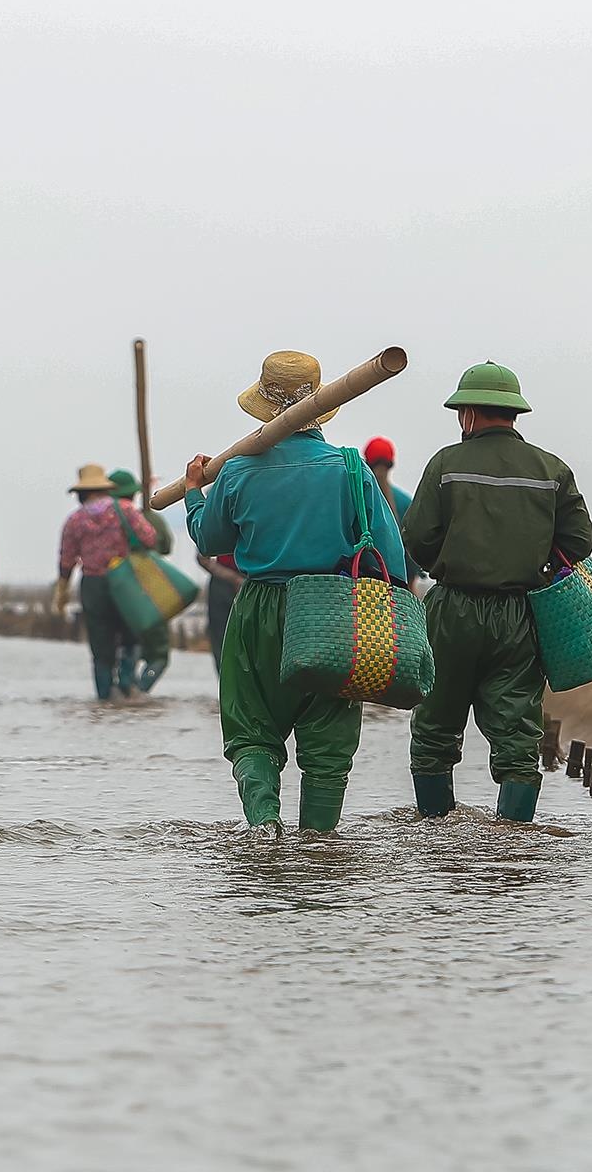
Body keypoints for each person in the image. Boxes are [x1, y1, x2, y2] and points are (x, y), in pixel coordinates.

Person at [184, 351, 409, 835]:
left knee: (251, 730)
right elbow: (392, 559)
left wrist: (193, 491)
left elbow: (210, 539)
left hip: (258, 610)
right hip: (330, 613)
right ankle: (318, 852)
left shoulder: (238, 470)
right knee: (327, 743)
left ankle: (265, 830)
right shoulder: (350, 469)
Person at [402, 362, 592, 824]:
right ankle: (512, 844)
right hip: (519, 615)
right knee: (517, 735)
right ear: (513, 413)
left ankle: (433, 835)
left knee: (434, 728)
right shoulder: (552, 470)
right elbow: (581, 541)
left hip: (451, 613)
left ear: (468, 413)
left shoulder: (446, 464)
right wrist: (537, 565)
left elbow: (416, 538)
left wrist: (444, 566)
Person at [55, 464, 161, 701]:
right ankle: (126, 686)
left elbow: (66, 560)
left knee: (100, 644)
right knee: (130, 635)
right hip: (124, 581)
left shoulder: (74, 520)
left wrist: (61, 593)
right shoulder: (124, 509)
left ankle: (104, 696)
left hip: (93, 585)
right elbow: (150, 538)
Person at [107, 468, 172, 696]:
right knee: (159, 653)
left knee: (121, 645)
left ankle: (120, 690)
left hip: (115, 588)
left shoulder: (100, 521)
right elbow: (165, 546)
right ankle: (140, 691)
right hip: (151, 588)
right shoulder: (149, 518)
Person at [364, 437, 421, 586]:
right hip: (398, 587)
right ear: (392, 464)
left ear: (366, 462)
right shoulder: (405, 503)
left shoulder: (356, 498)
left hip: (361, 588)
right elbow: (412, 554)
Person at [197, 553, 243, 678]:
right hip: (225, 580)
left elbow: (202, 556)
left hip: (252, 580)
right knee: (221, 641)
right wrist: (234, 578)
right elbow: (202, 557)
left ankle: (229, 691)